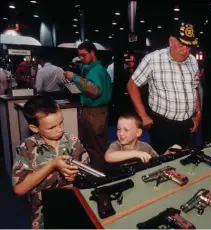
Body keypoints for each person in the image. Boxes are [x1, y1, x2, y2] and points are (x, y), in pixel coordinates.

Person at [11, 95, 90, 229]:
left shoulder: (72, 141)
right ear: (34, 128)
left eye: (61, 122)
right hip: (43, 215)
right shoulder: (27, 148)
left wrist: (75, 177)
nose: (59, 129)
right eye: (51, 127)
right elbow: (19, 189)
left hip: (74, 208)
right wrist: (51, 165)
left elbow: (87, 174)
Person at [127, 22, 201, 154]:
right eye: (181, 45)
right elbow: (132, 85)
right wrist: (143, 115)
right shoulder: (153, 59)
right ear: (171, 41)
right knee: (162, 164)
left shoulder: (193, 61)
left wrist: (198, 114)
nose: (185, 51)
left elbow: (194, 88)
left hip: (186, 124)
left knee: (184, 159)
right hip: (163, 125)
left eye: (189, 46)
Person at [64, 41, 112, 171]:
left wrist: (74, 77)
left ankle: (98, 175)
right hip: (99, 111)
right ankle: (104, 171)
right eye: (79, 56)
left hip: (93, 112)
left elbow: (95, 90)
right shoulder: (99, 69)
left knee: (94, 146)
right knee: (99, 144)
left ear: (92, 53)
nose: (81, 58)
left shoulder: (95, 71)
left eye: (84, 55)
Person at [104, 113, 181, 164]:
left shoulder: (145, 147)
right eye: (118, 129)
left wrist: (168, 152)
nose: (121, 133)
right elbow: (108, 156)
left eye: (126, 130)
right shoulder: (117, 145)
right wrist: (136, 153)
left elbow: (157, 161)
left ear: (138, 133)